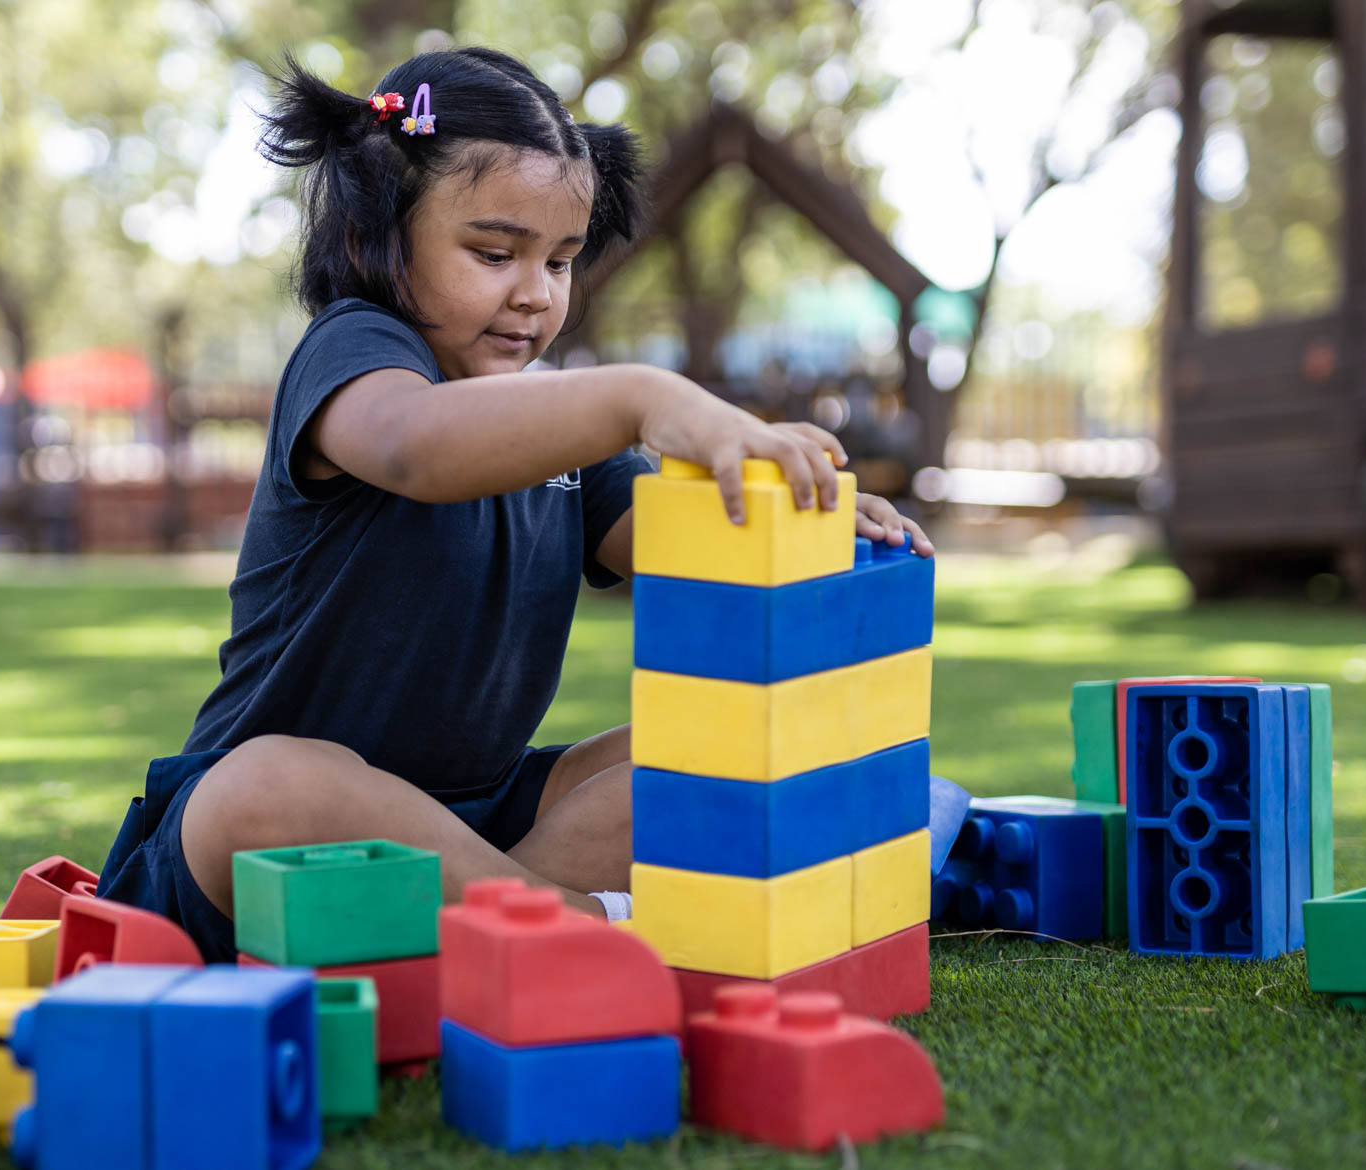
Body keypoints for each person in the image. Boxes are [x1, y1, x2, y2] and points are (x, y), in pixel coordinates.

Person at [95, 46, 933, 962]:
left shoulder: (565, 431)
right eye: (494, 253)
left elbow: (679, 548)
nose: (535, 295)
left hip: (490, 828)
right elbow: (418, 446)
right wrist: (645, 397)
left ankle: (502, 930)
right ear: (366, 239)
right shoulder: (354, 357)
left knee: (718, 738)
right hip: (264, 848)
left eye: (563, 261)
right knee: (266, 785)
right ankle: (576, 933)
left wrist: (800, 525)